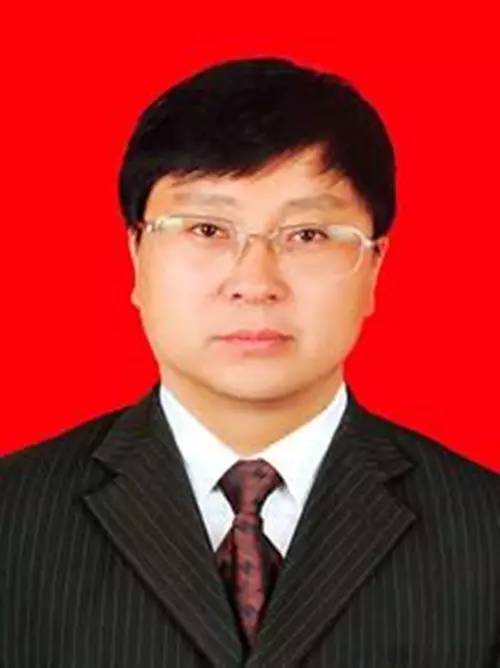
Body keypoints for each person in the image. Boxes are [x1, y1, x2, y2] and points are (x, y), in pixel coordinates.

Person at [1, 57, 498, 668]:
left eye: (308, 235)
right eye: (208, 230)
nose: (255, 282)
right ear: (136, 255)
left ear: (374, 266)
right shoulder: (13, 519)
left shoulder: (486, 533)